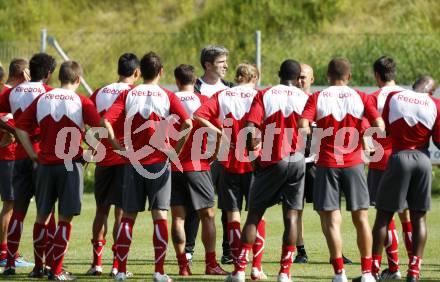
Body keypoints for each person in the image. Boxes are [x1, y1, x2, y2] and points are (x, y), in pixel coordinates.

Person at [103, 51, 192, 282]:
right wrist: (176, 150)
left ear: (139, 72)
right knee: (160, 215)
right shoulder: (168, 95)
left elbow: (106, 121)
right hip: (159, 163)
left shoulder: (129, 93)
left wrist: (117, 146)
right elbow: (189, 123)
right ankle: (159, 272)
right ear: (161, 72)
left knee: (128, 216)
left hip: (133, 161)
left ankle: (120, 270)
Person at [14, 60, 102, 280]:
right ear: (78, 79)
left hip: (44, 164)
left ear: (59, 77)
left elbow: (20, 128)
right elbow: (99, 129)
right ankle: (56, 270)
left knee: (42, 216)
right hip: (70, 164)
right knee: (65, 218)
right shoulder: (81, 101)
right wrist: (90, 153)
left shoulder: (43, 98)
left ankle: (37, 268)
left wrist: (33, 154)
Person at [299, 58, 384, 282]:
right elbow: (380, 125)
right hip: (354, 162)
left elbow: (303, 126)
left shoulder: (317, 97)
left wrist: (316, 134)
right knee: (362, 218)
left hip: (327, 162)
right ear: (349, 76)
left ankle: (339, 273)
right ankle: (367, 273)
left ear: (327, 76)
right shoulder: (361, 96)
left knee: (331, 220)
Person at [225, 59, 309, 282]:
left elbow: (250, 129)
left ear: (278, 73)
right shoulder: (304, 97)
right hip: (298, 160)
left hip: (273, 159)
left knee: (254, 214)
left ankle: (240, 271)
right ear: (298, 76)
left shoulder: (265, 94)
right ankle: (284, 273)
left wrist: (253, 159)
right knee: (292, 217)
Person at [195, 63, 268, 280]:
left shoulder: (223, 95)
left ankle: (239, 268)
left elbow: (199, 115)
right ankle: (256, 267)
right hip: (256, 161)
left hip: (229, 160)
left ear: (237, 77)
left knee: (232, 215)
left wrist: (219, 133)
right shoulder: (260, 95)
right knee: (257, 215)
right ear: (255, 77)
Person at [371, 76, 439, 282]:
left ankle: (372, 271)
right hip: (422, 159)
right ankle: (414, 271)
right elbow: (438, 140)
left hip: (399, 156)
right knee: (419, 217)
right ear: (431, 91)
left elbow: (387, 130)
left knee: (384, 215)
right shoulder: (435, 104)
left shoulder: (394, 95)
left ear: (414, 86)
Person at [0, 53, 57, 276]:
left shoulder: (13, 92)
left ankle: (11, 264)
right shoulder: (50, 93)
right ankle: (42, 264)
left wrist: (12, 131)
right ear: (49, 73)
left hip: (19, 157)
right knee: (46, 212)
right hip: (42, 157)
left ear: (28, 71)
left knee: (18, 212)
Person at [170, 64, 227, 277]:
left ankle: (183, 266)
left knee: (178, 217)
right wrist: (213, 155)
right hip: (198, 165)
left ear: (177, 81)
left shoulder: (169, 100)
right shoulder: (203, 101)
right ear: (195, 81)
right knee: (208, 215)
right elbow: (219, 131)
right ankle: (211, 263)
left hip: (174, 166)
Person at [87, 53, 140, 276]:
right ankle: (117, 265)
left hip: (102, 159)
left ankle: (96, 263)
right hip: (124, 158)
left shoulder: (99, 92)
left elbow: (84, 117)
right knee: (121, 213)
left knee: (101, 210)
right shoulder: (133, 93)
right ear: (136, 73)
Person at [185, 44, 234, 265]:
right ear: (207, 65)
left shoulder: (231, 88)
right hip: (200, 155)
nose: (226, 65)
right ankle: (188, 249)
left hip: (224, 155)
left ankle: (227, 250)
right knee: (197, 206)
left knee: (226, 205)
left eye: (226, 61)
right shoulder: (194, 89)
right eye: (221, 62)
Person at [365, 56, 408, 280]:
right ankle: (413, 268)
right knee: (408, 215)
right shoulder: (407, 95)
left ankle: (393, 268)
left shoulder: (373, 98)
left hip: (383, 161)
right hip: (407, 160)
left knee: (385, 216)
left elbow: (370, 133)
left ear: (377, 75)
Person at [0, 58, 29, 267]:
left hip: (12, 157)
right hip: (8, 157)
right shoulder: (7, 94)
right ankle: (4, 253)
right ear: (23, 73)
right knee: (9, 205)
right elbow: (5, 126)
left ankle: (8, 252)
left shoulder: (12, 93)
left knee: (11, 204)